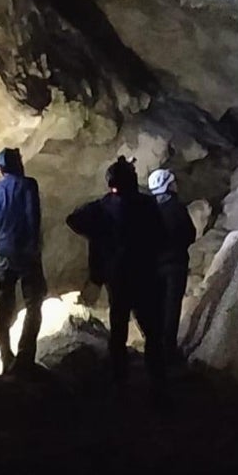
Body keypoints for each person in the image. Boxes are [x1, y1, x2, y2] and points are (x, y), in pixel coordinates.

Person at [66, 156, 169, 405]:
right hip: (143, 275)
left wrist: (98, 238)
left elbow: (73, 219)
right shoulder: (146, 205)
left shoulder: (102, 207)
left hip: (117, 277)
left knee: (119, 328)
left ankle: (119, 380)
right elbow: (161, 236)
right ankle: (157, 381)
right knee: (152, 329)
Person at [0, 147, 46, 375]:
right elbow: (32, 217)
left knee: (4, 307)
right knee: (34, 303)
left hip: (3, 255)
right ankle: (25, 357)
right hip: (26, 253)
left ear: (0, 169)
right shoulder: (28, 185)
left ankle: (6, 357)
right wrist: (33, 246)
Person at [148, 167, 196, 366]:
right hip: (175, 264)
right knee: (171, 306)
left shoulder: (147, 208)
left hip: (154, 266)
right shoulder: (176, 207)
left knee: (156, 305)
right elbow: (189, 233)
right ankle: (168, 349)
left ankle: (154, 345)